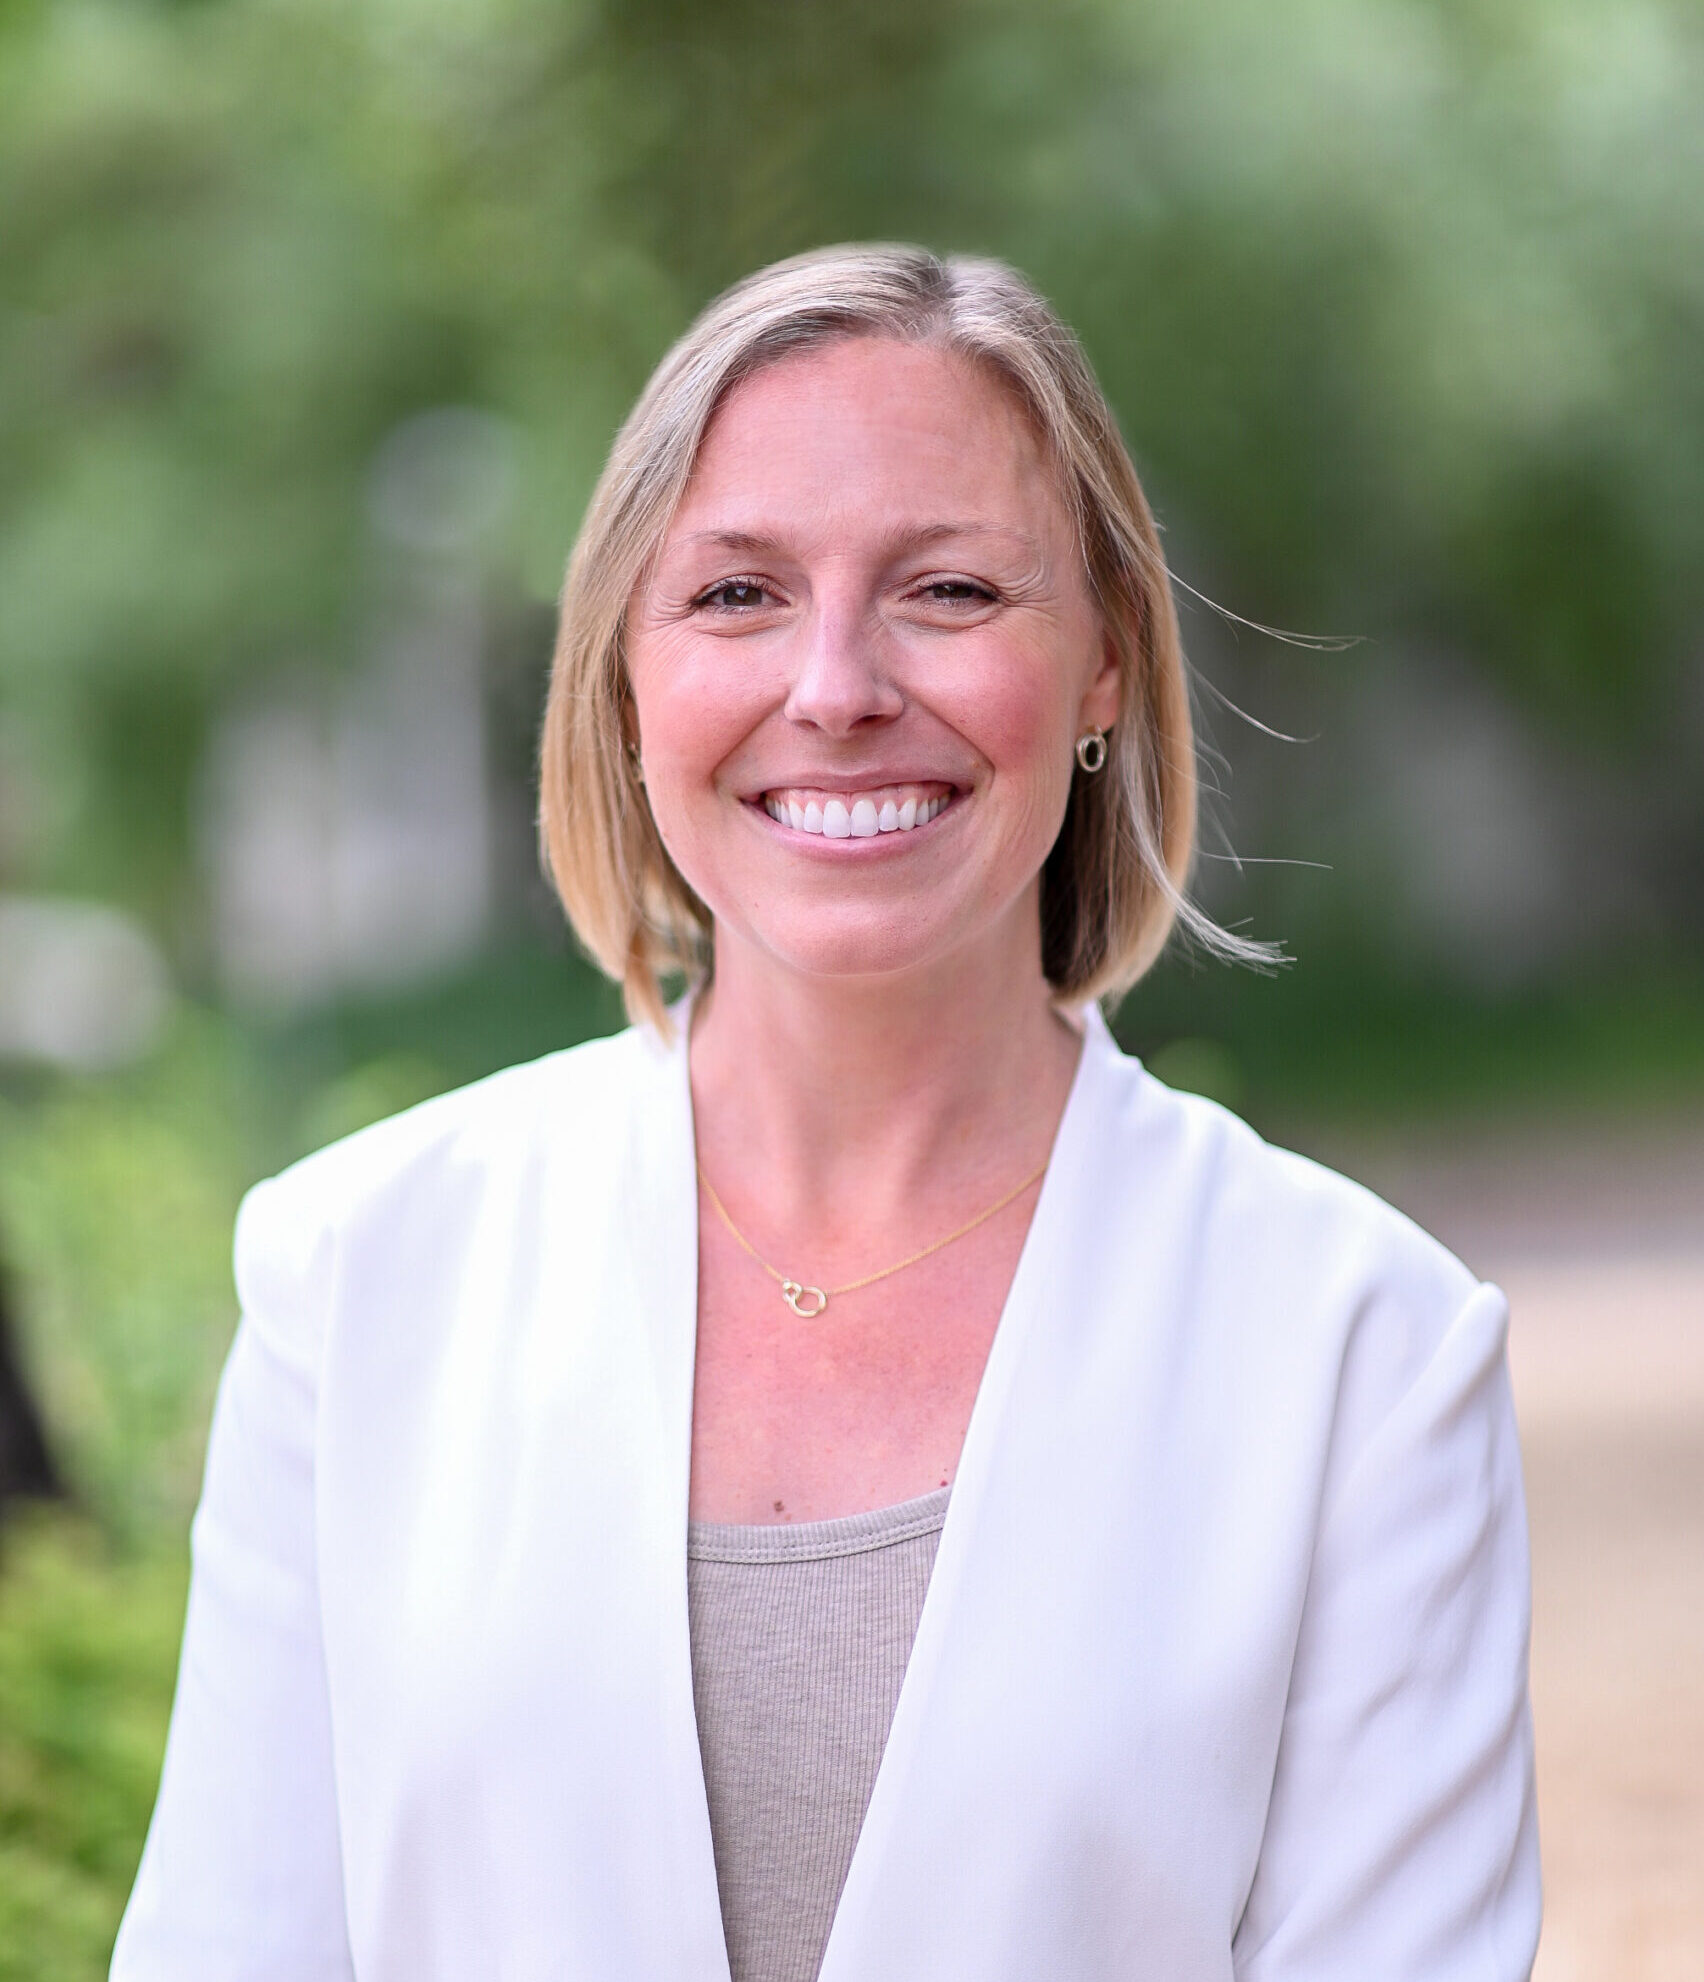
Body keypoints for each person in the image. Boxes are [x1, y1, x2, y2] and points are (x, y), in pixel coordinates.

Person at [113, 246, 1539, 1982]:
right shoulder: (356, 1278)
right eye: (735, 596)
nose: (839, 685)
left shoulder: (1365, 1354)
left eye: (947, 589)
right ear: (624, 680)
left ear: (1103, 659)